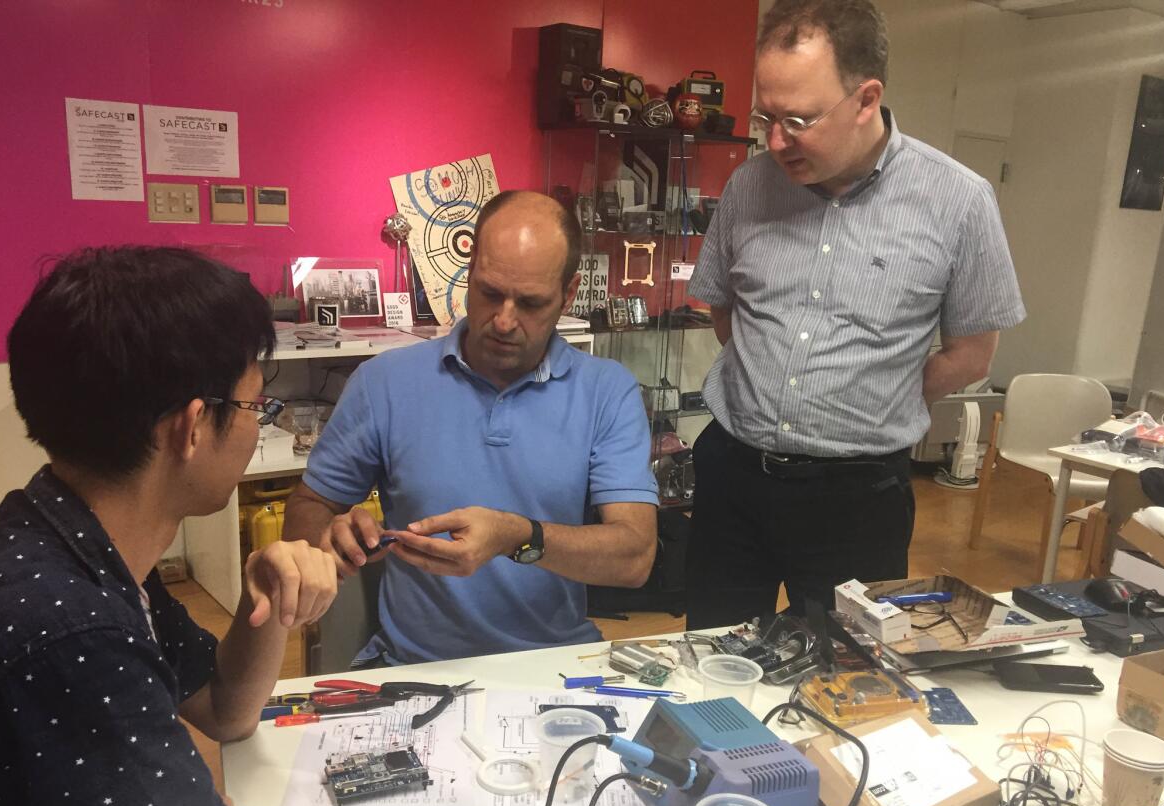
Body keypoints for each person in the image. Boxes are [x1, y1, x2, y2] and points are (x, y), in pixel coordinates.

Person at [0, 247, 338, 806]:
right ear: (193, 427)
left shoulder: (75, 537)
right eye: (256, 408)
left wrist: (262, 595)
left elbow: (225, 713)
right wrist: (210, 803)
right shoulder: (70, 632)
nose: (257, 426)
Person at [685, 0, 1026, 629]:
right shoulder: (749, 187)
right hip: (734, 476)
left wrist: (875, 395)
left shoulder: (959, 202)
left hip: (857, 499)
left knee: (845, 682)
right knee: (713, 663)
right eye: (767, 115)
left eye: (798, 119)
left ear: (866, 99)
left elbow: (971, 355)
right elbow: (726, 312)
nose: (776, 140)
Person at [283, 190, 658, 664]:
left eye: (531, 303)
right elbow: (309, 507)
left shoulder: (607, 391)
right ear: (469, 270)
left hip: (554, 665)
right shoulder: (386, 382)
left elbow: (635, 556)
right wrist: (330, 535)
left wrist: (518, 537)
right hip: (416, 666)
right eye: (489, 293)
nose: (504, 321)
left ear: (568, 293)